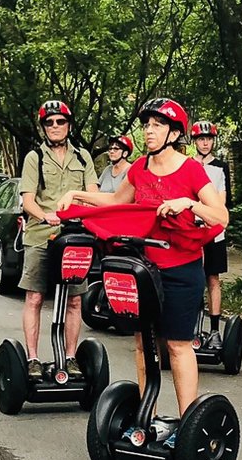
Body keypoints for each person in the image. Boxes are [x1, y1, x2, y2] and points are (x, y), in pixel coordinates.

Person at [59, 98, 229, 421]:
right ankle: (145, 418)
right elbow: (113, 201)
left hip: (182, 270)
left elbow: (221, 216)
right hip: (146, 273)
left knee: (178, 347)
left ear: (174, 132)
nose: (149, 131)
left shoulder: (191, 169)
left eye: (157, 125)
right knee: (143, 345)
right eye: (146, 125)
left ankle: (187, 424)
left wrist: (187, 204)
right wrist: (77, 195)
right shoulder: (140, 168)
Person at [18, 100, 99, 380]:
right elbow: (28, 201)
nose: (55, 126)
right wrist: (46, 216)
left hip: (75, 237)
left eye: (60, 121)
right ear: (44, 127)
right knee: (35, 297)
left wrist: (82, 211)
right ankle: (32, 358)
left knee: (75, 301)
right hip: (41, 235)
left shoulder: (83, 158)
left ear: (69, 125)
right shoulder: (34, 158)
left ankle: (71, 356)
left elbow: (93, 194)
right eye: (49, 122)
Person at [191, 120, 232, 349]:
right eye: (201, 139)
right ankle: (191, 327)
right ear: (195, 141)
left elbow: (223, 198)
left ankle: (215, 330)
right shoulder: (188, 164)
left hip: (213, 230)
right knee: (192, 278)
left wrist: (212, 214)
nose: (205, 143)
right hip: (190, 230)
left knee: (212, 279)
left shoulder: (220, 167)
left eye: (208, 139)